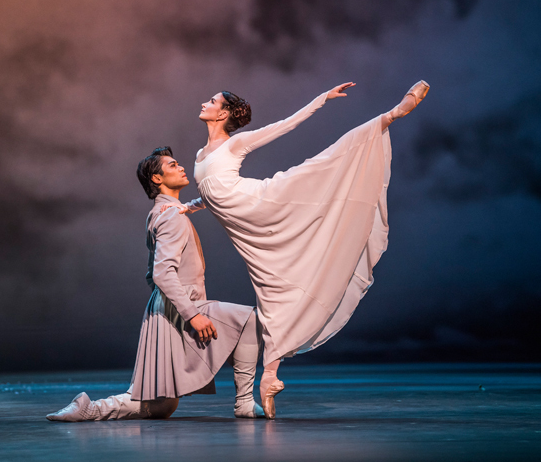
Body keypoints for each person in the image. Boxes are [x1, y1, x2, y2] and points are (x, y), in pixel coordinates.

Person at [169, 80, 429, 419]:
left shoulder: (236, 144)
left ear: (224, 114)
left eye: (212, 100)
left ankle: (392, 115)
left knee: (318, 170)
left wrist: (321, 99)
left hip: (264, 204)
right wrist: (190, 206)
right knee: (271, 290)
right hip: (248, 230)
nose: (205, 102)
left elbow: (286, 125)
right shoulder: (202, 155)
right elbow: (213, 191)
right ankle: (270, 377)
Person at [46, 147, 264, 421]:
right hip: (180, 308)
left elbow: (152, 273)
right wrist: (193, 314)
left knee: (162, 406)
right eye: (173, 165)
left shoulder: (166, 212)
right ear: (157, 179)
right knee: (250, 321)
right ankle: (243, 402)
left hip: (170, 307)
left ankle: (91, 409)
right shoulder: (170, 216)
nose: (181, 167)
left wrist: (209, 198)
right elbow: (161, 273)